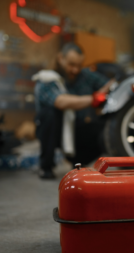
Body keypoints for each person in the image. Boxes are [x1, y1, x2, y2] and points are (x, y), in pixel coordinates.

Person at [33, 43, 114, 179]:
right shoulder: (47, 78)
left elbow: (110, 85)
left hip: (77, 129)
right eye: (71, 65)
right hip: (54, 131)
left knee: (104, 129)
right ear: (60, 58)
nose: (75, 70)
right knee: (49, 115)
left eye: (79, 65)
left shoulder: (86, 75)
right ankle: (46, 166)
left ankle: (78, 163)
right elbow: (60, 101)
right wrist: (94, 99)